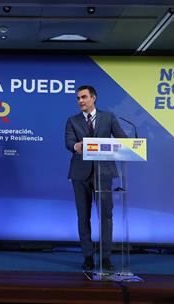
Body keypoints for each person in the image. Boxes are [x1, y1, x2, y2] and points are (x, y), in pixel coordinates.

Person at [65, 85, 127, 271]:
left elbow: (121, 139)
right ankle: (88, 257)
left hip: (104, 173)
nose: (80, 101)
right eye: (78, 98)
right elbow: (68, 142)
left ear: (94, 98)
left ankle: (106, 257)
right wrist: (76, 146)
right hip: (80, 174)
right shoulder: (72, 120)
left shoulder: (108, 117)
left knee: (106, 216)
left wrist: (132, 143)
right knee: (83, 217)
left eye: (84, 97)